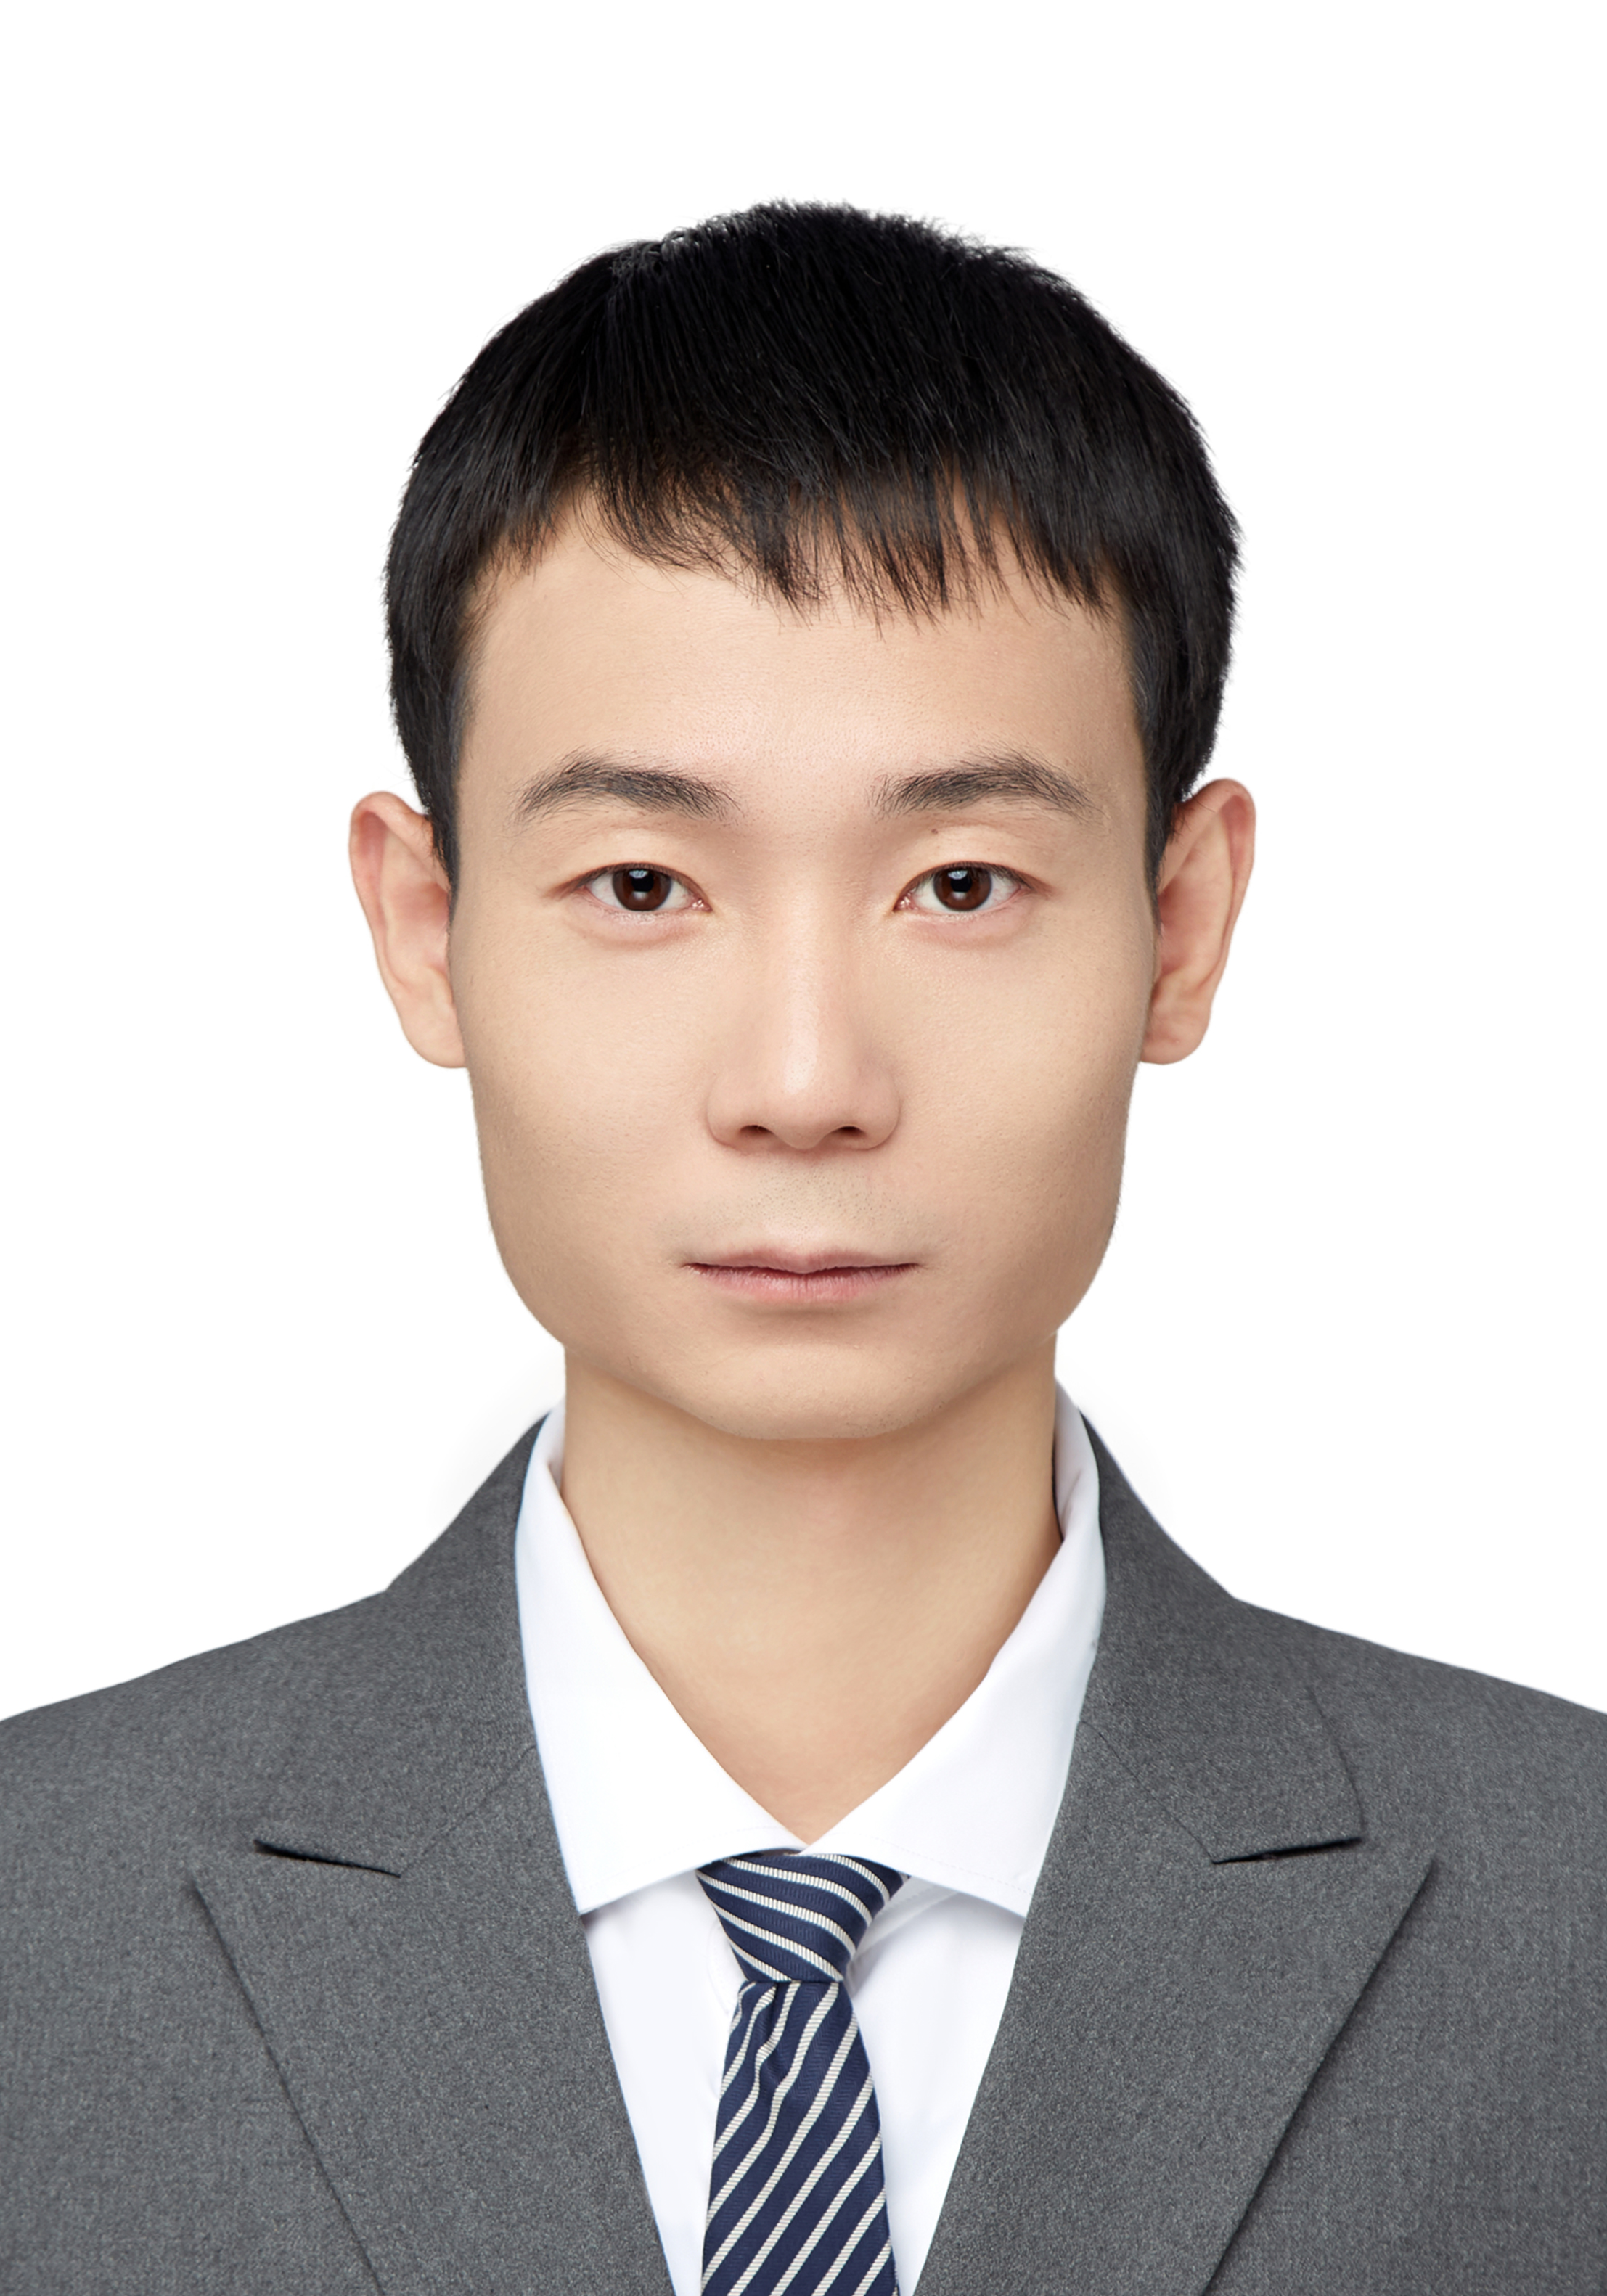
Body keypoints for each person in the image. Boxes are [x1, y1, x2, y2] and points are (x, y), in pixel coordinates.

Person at [3, 201, 1603, 2296]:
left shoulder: (1568, 1926)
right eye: (643, 885)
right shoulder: (41, 1920)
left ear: (1180, 925)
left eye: (961, 883)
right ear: (427, 927)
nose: (803, 1078)